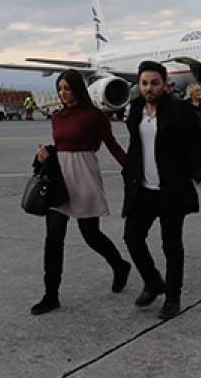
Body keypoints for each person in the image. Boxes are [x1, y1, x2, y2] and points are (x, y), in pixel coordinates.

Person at [31, 70, 131, 315]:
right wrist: (45, 155)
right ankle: (51, 295)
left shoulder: (94, 116)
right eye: (60, 88)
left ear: (77, 88)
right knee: (53, 239)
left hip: (84, 177)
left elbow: (112, 145)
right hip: (59, 181)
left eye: (67, 88)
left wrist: (132, 170)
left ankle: (119, 265)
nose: (63, 93)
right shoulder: (57, 116)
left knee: (91, 235)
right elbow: (62, 146)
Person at [122, 61, 201, 320]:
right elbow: (135, 147)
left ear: (165, 84)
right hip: (143, 189)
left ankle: (172, 296)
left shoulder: (179, 110)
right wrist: (129, 173)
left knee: (171, 245)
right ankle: (153, 281)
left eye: (154, 83)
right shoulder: (136, 110)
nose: (149, 88)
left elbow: (197, 142)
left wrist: (188, 173)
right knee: (132, 237)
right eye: (144, 83)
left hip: (171, 190)